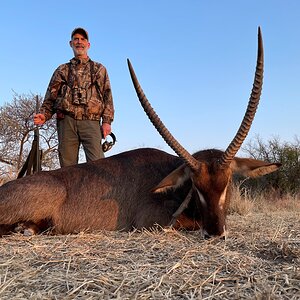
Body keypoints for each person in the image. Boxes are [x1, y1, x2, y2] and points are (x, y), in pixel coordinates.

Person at [34, 27, 114, 167]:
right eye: (76, 39)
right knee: (67, 169)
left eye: (83, 39)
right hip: (67, 122)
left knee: (99, 167)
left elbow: (107, 96)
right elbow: (50, 98)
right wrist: (44, 115)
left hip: (91, 122)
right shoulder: (62, 70)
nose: (79, 42)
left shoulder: (99, 69)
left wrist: (107, 121)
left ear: (88, 45)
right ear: (70, 43)